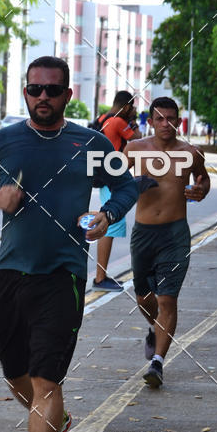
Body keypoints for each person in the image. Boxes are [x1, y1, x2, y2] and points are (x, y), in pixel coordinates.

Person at [0, 56, 157, 432]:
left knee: (47, 381)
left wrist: (107, 216)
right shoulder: (5, 140)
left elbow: (126, 187)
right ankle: (55, 422)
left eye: (52, 90)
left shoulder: (88, 143)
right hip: (9, 275)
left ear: (69, 94)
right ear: (24, 93)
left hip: (63, 277)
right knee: (17, 377)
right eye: (35, 90)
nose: (43, 97)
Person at [124, 96, 210, 388]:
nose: (166, 123)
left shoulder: (191, 151)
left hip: (175, 234)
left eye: (171, 118)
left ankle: (157, 363)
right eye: (159, 118)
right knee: (144, 299)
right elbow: (112, 179)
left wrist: (201, 190)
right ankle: (153, 328)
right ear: (151, 121)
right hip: (143, 233)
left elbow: (203, 179)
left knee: (167, 299)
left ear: (179, 121)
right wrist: (130, 185)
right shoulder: (135, 149)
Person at [93, 90, 141, 290]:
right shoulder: (119, 122)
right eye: (132, 107)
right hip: (111, 176)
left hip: (101, 173)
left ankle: (101, 276)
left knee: (110, 222)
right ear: (127, 106)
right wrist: (134, 120)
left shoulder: (102, 118)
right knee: (110, 223)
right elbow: (138, 138)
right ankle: (99, 278)